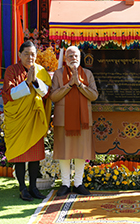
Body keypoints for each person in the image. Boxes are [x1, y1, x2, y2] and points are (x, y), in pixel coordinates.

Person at [2, 42, 51, 201]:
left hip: (35, 117)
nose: (30, 57)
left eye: (33, 54)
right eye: (26, 54)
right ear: (19, 54)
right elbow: (10, 94)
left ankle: (34, 187)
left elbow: (46, 93)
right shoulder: (11, 70)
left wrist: (35, 81)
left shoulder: (41, 71)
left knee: (35, 156)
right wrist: (26, 83)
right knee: (20, 155)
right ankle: (22, 188)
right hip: (18, 118)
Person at [47, 45, 97, 197]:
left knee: (81, 152)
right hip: (64, 120)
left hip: (83, 120)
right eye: (70, 56)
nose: (73, 58)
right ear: (65, 59)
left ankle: (78, 183)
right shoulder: (58, 74)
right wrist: (69, 85)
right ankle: (65, 184)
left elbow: (94, 95)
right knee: (64, 152)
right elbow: (53, 96)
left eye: (76, 56)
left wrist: (80, 84)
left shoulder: (87, 74)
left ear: (80, 58)